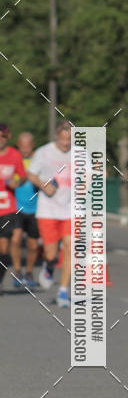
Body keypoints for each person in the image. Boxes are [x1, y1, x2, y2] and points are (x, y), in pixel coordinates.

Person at [27, 121, 72, 307]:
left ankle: (63, 291)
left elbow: (91, 172)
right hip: (48, 209)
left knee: (70, 247)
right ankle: (49, 264)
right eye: (63, 141)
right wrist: (43, 185)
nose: (66, 145)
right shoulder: (44, 152)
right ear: (56, 137)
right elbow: (31, 174)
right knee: (51, 252)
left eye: (69, 141)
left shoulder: (79, 153)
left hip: (70, 208)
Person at [11, 131, 40, 288]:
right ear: (18, 145)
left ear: (32, 146)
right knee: (15, 239)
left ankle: (28, 272)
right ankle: (17, 271)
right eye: (22, 147)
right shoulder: (14, 159)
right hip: (16, 207)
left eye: (28, 147)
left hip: (36, 208)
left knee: (33, 245)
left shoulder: (39, 160)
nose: (25, 150)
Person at [0, 122, 26, 294]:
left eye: (2, 136)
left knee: (9, 246)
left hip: (8, 208)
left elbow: (23, 176)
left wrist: (17, 182)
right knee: (2, 249)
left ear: (8, 137)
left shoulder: (14, 155)